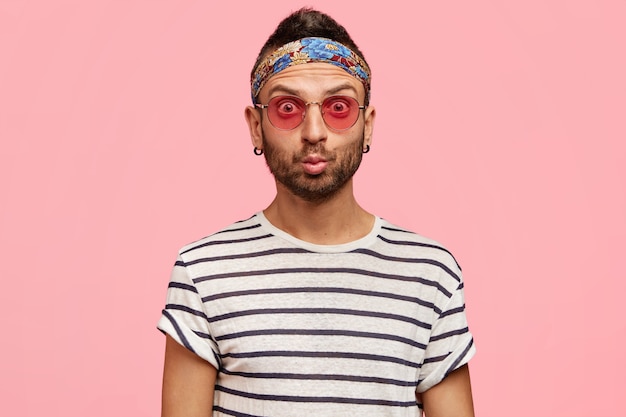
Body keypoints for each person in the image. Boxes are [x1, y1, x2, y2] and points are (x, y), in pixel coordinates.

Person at [158, 7, 476, 417]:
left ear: (369, 124)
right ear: (256, 125)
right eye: (287, 108)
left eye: (338, 108)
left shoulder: (430, 274)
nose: (313, 132)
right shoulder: (203, 271)